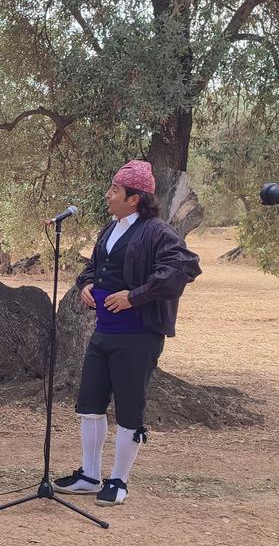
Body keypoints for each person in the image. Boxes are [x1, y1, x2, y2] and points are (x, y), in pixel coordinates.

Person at [52, 160, 201, 505]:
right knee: (88, 405)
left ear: (134, 198)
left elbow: (184, 267)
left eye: (114, 190)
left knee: (129, 410)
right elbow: (94, 266)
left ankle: (118, 482)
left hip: (138, 336)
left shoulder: (157, 231)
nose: (108, 195)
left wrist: (135, 296)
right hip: (103, 331)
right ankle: (90, 475)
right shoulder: (109, 228)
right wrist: (86, 283)